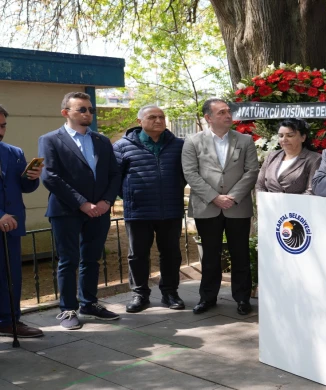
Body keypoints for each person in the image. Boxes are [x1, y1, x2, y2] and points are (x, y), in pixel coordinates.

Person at [38, 92, 121, 330]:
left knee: (92, 259)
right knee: (68, 260)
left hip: (100, 210)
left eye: (90, 109)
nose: (88, 113)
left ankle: (89, 303)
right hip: (66, 210)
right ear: (66, 113)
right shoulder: (50, 139)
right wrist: (82, 203)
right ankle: (67, 310)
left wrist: (106, 201)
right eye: (82, 109)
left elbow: (114, 174)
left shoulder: (102, 141)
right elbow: (50, 177)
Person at [182, 98, 258, 316]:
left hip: (238, 206)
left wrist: (232, 197)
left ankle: (243, 298)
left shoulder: (245, 140)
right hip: (207, 206)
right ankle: (207, 298)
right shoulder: (193, 141)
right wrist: (215, 197)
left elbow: (251, 171)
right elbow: (190, 173)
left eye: (228, 111)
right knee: (210, 255)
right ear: (208, 117)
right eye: (222, 112)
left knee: (240, 253)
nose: (228, 115)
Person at [113, 105, 186, 313]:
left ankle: (170, 292)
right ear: (139, 122)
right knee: (137, 255)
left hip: (170, 209)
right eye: (152, 117)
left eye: (161, 117)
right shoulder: (122, 146)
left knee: (171, 253)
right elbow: (115, 177)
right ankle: (139, 294)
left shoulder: (178, 145)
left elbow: (186, 173)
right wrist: (130, 195)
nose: (158, 120)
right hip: (138, 210)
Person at [0, 105, 44, 338]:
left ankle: (9, 321)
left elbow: (23, 187)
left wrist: (32, 178)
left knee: (11, 277)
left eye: (3, 126)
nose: (0, 130)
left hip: (12, 226)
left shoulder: (14, 152)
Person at [256, 118, 321, 194]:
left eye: (290, 135)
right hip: (268, 204)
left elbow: (311, 191)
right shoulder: (272, 156)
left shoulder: (314, 159)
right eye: (281, 136)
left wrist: (286, 204)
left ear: (303, 137)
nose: (284, 139)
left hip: (298, 205)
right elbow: (259, 185)